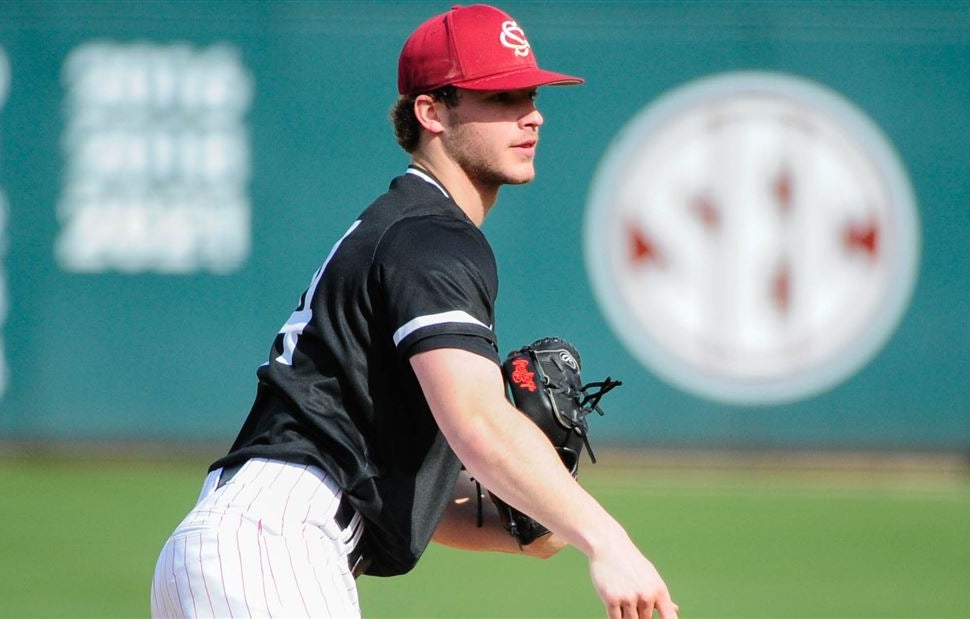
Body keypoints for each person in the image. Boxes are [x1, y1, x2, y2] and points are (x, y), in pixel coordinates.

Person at [150, 4, 679, 619]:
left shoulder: (403, 226)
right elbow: (478, 423)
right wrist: (609, 542)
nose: (531, 115)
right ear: (432, 112)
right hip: (274, 543)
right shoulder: (432, 237)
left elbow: (384, 480)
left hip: (256, 540)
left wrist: (535, 514)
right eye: (502, 97)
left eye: (530, 95)